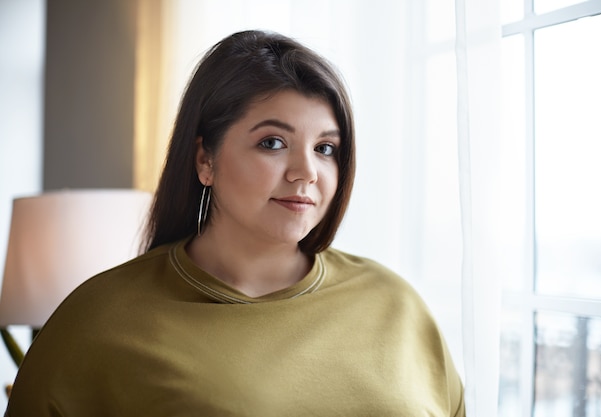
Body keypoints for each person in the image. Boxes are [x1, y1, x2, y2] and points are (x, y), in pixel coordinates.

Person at [5, 30, 465, 416]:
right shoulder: (98, 322)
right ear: (205, 159)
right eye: (272, 142)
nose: (306, 171)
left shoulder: (399, 307)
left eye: (325, 148)